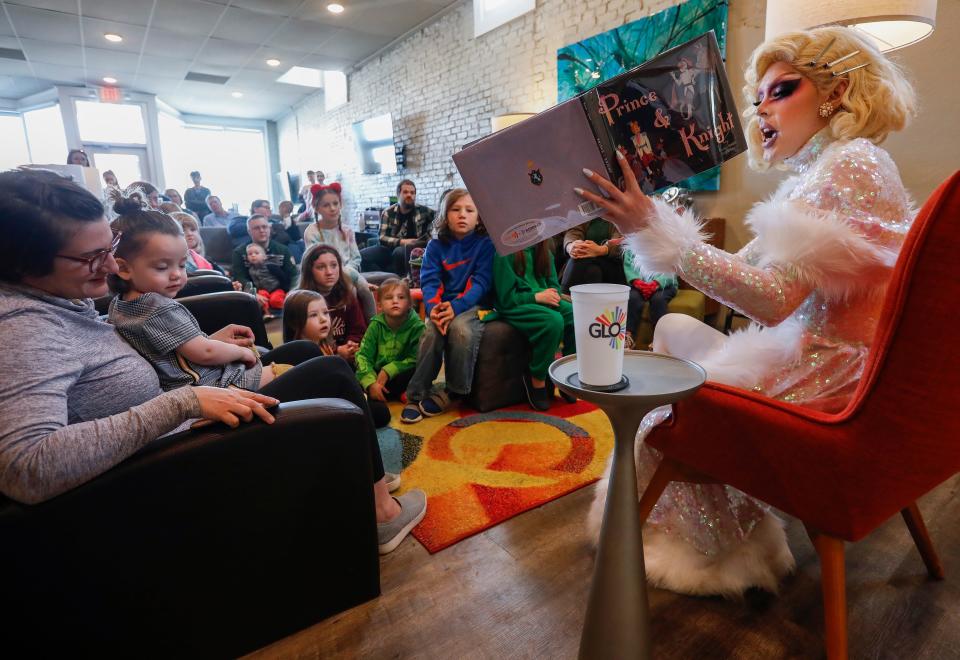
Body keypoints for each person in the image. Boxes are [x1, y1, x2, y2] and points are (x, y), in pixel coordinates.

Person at [575, 26, 917, 596]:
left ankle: (702, 549)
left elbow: (772, 299)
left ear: (837, 92)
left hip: (827, 384)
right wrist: (653, 223)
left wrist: (651, 228)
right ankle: (727, 519)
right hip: (829, 363)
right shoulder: (826, 172)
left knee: (662, 413)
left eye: (782, 90)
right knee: (674, 324)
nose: (762, 109)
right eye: (757, 98)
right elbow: (742, 271)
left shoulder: (851, 163)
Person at [0, 168, 425, 554]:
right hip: (179, 454)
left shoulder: (60, 302)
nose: (111, 265)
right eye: (91, 258)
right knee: (332, 372)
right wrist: (186, 403)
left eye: (107, 248)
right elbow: (28, 468)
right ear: (22, 262)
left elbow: (126, 355)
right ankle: (382, 515)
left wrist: (199, 342)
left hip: (183, 405)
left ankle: (360, 473)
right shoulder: (23, 331)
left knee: (300, 352)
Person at [106, 201, 280, 390]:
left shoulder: (119, 305)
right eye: (162, 267)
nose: (177, 274)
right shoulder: (158, 308)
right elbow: (205, 352)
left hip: (191, 382)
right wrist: (241, 353)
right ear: (123, 268)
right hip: (213, 385)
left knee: (274, 352)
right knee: (289, 367)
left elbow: (179, 349)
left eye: (181, 264)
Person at [401, 189, 494, 424]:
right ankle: (417, 393)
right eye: (456, 209)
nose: (462, 215)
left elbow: (481, 283)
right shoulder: (434, 246)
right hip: (442, 305)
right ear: (445, 215)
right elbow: (430, 281)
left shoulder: (485, 245)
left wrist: (455, 307)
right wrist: (434, 309)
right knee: (431, 331)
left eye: (469, 210)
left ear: (479, 217)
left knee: (461, 330)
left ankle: (455, 391)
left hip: (477, 306)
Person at [484, 239, 576, 411]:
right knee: (553, 322)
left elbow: (553, 286)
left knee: (574, 315)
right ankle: (536, 378)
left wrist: (551, 296)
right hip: (515, 305)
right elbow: (506, 299)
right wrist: (537, 296)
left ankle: (565, 373)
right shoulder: (504, 253)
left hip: (541, 301)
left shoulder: (544, 251)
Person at [302, 183, 377, 319]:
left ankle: (374, 325)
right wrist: (339, 273)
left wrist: (346, 272)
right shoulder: (311, 232)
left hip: (349, 271)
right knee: (351, 291)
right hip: (326, 273)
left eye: (336, 203)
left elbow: (356, 258)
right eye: (326, 205)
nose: (332, 208)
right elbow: (316, 260)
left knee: (365, 289)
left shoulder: (347, 230)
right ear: (317, 208)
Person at [355, 278, 425, 423]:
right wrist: (370, 382)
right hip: (377, 376)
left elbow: (416, 358)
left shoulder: (417, 326)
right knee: (355, 372)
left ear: (409, 303)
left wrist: (389, 369)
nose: (395, 301)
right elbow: (363, 355)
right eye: (389, 298)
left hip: (402, 374)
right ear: (379, 305)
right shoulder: (375, 326)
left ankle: (403, 392)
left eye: (401, 297)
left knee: (420, 367)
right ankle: (377, 392)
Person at [298, 244, 367, 365]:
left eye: (334, 265)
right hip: (315, 361)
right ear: (309, 271)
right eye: (321, 267)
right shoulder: (300, 301)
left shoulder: (348, 294)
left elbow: (358, 330)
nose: (329, 272)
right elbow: (302, 342)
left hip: (349, 354)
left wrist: (350, 345)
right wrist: (337, 351)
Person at [360, 179, 435, 276]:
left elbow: (440, 218)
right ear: (398, 194)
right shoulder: (388, 212)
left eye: (412, 193)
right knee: (362, 255)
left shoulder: (424, 211)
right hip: (388, 249)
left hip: (413, 249)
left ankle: (399, 281)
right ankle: (384, 277)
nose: (409, 195)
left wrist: (429, 236)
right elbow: (382, 238)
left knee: (399, 252)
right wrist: (402, 242)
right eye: (405, 192)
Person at [231, 215, 297, 303]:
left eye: (264, 227)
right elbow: (239, 277)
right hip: (255, 295)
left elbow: (294, 275)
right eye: (256, 228)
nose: (262, 230)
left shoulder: (282, 250)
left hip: (281, 293)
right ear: (249, 231)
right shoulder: (239, 252)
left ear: (269, 228)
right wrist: (252, 293)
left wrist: (292, 292)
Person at [622, 246, 677, 350]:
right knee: (632, 298)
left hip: (664, 284)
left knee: (658, 300)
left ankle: (659, 338)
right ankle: (628, 335)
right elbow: (628, 266)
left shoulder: (667, 245)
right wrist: (637, 282)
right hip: (639, 284)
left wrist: (656, 283)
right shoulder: (631, 246)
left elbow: (671, 270)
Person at [560, 218, 626, 292]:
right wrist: (571, 246)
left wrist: (601, 250)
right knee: (591, 269)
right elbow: (573, 232)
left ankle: (564, 295)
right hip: (585, 263)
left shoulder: (621, 213)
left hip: (613, 264)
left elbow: (622, 242)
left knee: (581, 262)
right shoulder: (584, 212)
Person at [282, 289, 336, 356]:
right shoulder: (298, 357)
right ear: (294, 323)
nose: (324, 319)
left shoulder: (325, 346)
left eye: (325, 312)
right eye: (313, 315)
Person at [245, 242, 289, 315]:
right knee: (259, 300)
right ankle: (267, 313)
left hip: (276, 289)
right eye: (250, 254)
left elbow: (283, 277)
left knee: (275, 300)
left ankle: (285, 310)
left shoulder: (270, 266)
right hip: (263, 290)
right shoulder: (250, 270)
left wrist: (286, 290)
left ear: (264, 256)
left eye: (256, 253)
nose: (253, 255)